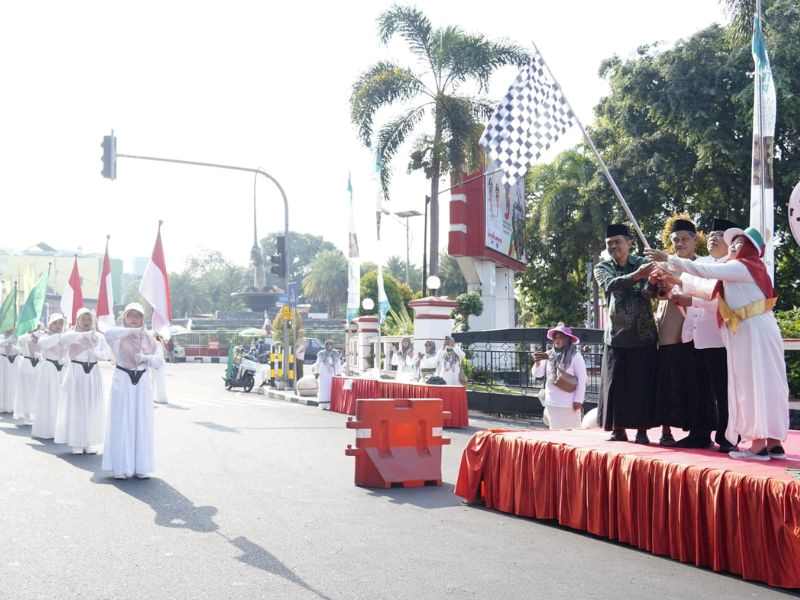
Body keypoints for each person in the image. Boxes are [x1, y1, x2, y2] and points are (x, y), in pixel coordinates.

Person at [647, 226, 789, 461]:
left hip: (753, 332)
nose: (733, 246)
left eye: (739, 243)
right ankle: (773, 443)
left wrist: (669, 259)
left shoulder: (743, 266)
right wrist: (672, 277)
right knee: (766, 384)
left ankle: (758, 446)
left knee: (753, 385)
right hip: (754, 331)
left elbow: (703, 271)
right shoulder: (737, 272)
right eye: (732, 243)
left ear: (751, 249)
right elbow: (707, 289)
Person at [652, 218, 716, 448]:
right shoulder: (663, 267)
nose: (680, 243)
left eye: (685, 239)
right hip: (671, 332)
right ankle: (675, 430)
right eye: (676, 240)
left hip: (699, 333)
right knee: (673, 381)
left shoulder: (705, 265)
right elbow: (656, 294)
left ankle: (703, 433)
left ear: (695, 240)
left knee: (700, 384)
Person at [593, 223, 658, 444]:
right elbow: (610, 285)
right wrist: (637, 276)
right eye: (609, 244)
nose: (614, 247)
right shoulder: (602, 267)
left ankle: (642, 430)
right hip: (616, 337)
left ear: (630, 243)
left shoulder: (645, 263)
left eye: (618, 242)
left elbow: (651, 294)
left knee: (642, 384)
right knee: (616, 385)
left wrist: (653, 281)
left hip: (643, 335)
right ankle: (617, 429)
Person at [681, 217, 740, 452]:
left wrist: (689, 298)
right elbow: (685, 284)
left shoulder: (733, 266)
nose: (714, 238)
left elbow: (721, 301)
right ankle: (699, 433)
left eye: (720, 235)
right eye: (712, 235)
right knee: (698, 389)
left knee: (723, 391)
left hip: (720, 338)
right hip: (696, 336)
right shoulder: (702, 263)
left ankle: (727, 436)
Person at [102, 303, 163, 479]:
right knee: (122, 421)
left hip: (142, 381)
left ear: (143, 319)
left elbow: (159, 362)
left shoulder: (150, 338)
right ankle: (121, 467)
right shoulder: (118, 335)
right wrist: (131, 331)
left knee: (141, 421)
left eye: (138, 316)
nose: (134, 319)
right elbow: (107, 334)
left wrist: (145, 357)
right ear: (125, 317)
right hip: (123, 379)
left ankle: (141, 466)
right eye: (131, 316)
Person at [55, 308, 111, 454]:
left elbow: (106, 355)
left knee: (92, 406)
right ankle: (76, 442)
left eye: (89, 320)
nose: (86, 322)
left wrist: (95, 352)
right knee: (76, 406)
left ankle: (89, 441)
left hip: (92, 372)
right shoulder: (71, 335)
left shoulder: (98, 337)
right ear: (78, 321)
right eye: (83, 319)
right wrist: (82, 337)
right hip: (76, 373)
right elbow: (62, 341)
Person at [533, 324, 587, 430]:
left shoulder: (575, 356)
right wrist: (538, 363)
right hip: (552, 403)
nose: (557, 340)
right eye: (555, 337)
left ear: (568, 340)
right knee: (556, 436)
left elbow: (582, 380)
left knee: (573, 436)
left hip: (569, 405)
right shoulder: (548, 355)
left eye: (561, 337)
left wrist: (578, 400)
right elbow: (538, 374)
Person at [33, 314, 68, 439]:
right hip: (48, 370)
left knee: (60, 399)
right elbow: (44, 344)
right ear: (50, 324)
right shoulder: (44, 336)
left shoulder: (65, 337)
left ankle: (58, 429)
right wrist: (60, 336)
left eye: (60, 323)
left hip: (61, 370)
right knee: (48, 398)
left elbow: (68, 352)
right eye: (56, 323)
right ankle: (46, 429)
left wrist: (64, 360)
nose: (58, 326)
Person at [15, 326, 42, 424]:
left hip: (38, 365)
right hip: (26, 364)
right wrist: (30, 335)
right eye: (35, 327)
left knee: (36, 390)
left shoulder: (42, 337)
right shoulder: (24, 337)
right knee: (25, 389)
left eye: (38, 327)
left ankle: (35, 413)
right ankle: (25, 413)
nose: (37, 329)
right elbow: (20, 342)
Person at [313, 340, 341, 410]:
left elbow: (338, 364)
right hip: (323, 374)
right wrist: (316, 372)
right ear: (325, 345)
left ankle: (331, 404)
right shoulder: (321, 353)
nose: (329, 346)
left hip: (332, 374)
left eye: (330, 344)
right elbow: (318, 363)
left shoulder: (335, 353)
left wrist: (338, 373)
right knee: (323, 388)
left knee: (331, 388)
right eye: (327, 345)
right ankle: (323, 405)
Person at [0, 329, 21, 414]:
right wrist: (7, 341)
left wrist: (14, 347)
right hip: (2, 361)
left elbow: (21, 350)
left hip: (14, 362)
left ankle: (11, 405)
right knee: (2, 383)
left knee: (12, 384)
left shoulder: (17, 337)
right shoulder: (1, 335)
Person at [151, 333, 169, 404]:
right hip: (157, 364)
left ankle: (160, 398)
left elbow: (157, 355)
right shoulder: (159, 344)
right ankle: (160, 398)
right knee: (159, 382)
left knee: (155, 382)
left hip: (157, 364)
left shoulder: (156, 344)